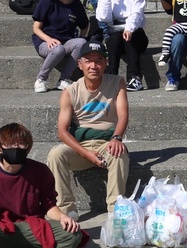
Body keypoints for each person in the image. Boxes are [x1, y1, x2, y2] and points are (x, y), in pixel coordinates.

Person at [46, 41, 130, 217]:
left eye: (99, 60)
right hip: (80, 146)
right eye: (88, 61)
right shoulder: (70, 91)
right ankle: (66, 209)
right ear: (80, 64)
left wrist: (116, 138)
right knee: (55, 154)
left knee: (119, 153)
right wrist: (86, 153)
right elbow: (62, 131)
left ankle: (116, 209)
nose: (94, 66)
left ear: (106, 63)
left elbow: (123, 115)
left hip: (107, 143)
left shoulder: (117, 82)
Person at [31, 0, 89, 94]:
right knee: (58, 50)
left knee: (82, 42)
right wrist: (48, 39)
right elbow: (36, 28)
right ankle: (41, 79)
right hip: (45, 42)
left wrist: (80, 41)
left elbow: (85, 25)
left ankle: (64, 79)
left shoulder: (76, 4)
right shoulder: (47, 1)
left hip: (66, 41)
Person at [95, 0, 149, 92]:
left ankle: (135, 77)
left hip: (136, 34)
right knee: (114, 38)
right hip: (116, 33)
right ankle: (110, 77)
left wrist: (129, 29)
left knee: (130, 37)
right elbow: (103, 17)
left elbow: (137, 13)